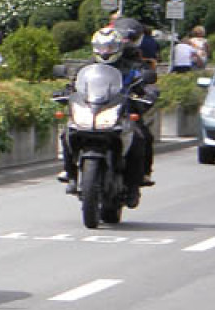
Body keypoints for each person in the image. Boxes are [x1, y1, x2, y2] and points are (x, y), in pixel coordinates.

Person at [57, 24, 158, 193]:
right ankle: (70, 172)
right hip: (93, 110)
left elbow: (145, 81)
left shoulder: (132, 65)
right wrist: (65, 92)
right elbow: (75, 84)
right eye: (101, 47)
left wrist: (148, 94)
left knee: (141, 136)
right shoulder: (88, 67)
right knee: (67, 132)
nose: (105, 51)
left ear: (118, 47)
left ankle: (140, 177)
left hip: (122, 110)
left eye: (109, 47)